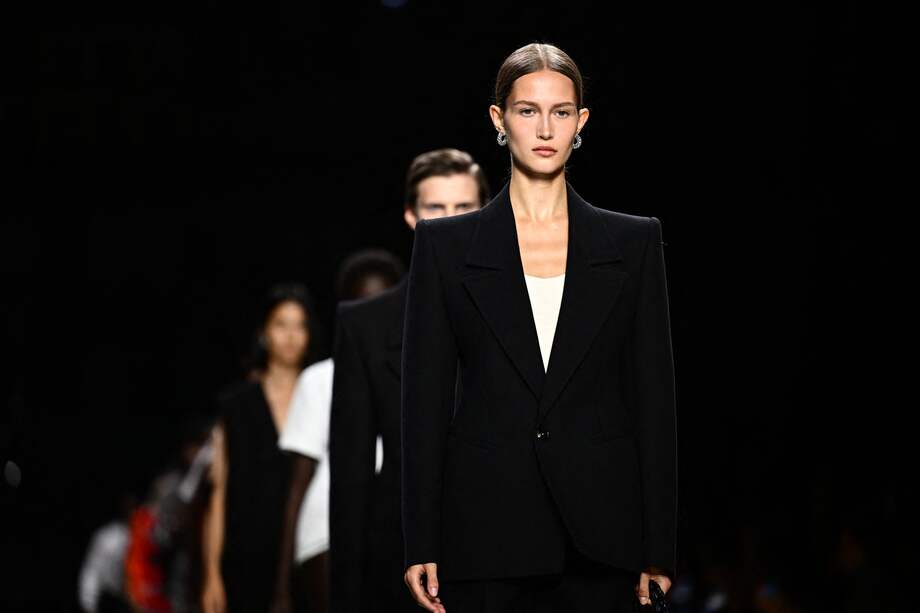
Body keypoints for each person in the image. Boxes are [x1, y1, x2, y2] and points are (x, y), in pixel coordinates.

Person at [400, 43, 678, 613]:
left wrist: (660, 545)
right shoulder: (445, 246)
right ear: (499, 120)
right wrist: (420, 539)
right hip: (484, 530)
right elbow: (424, 402)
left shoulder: (632, 243)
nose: (545, 128)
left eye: (560, 111)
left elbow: (654, 398)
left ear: (581, 122)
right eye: (528, 110)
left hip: (603, 533)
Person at [328, 149, 490, 612]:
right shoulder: (365, 325)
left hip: (509, 549)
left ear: (488, 211)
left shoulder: (528, 302)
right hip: (399, 555)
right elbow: (351, 472)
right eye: (434, 209)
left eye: (464, 208)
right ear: (410, 216)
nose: (448, 222)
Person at [271, 249, 406, 613]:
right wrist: (281, 586)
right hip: (328, 530)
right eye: (363, 303)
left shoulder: (420, 371)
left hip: (399, 530)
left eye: (384, 301)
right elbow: (299, 481)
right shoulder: (318, 379)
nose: (373, 313)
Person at [201, 283, 319, 613]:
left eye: (300, 325)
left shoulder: (323, 396)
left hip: (303, 554)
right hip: (245, 555)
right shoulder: (236, 405)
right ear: (265, 332)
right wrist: (212, 575)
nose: (291, 336)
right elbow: (218, 495)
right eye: (281, 324)